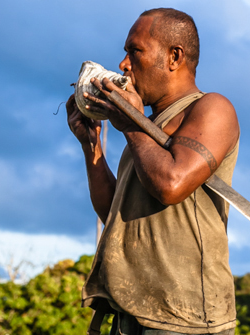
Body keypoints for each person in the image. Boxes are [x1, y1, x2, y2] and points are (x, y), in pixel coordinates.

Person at [66, 8, 240, 335]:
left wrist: (130, 125)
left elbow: (171, 184)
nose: (123, 64)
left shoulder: (211, 108)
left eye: (135, 51)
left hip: (185, 319)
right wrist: (92, 147)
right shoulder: (145, 131)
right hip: (133, 312)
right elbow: (117, 215)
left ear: (174, 57)